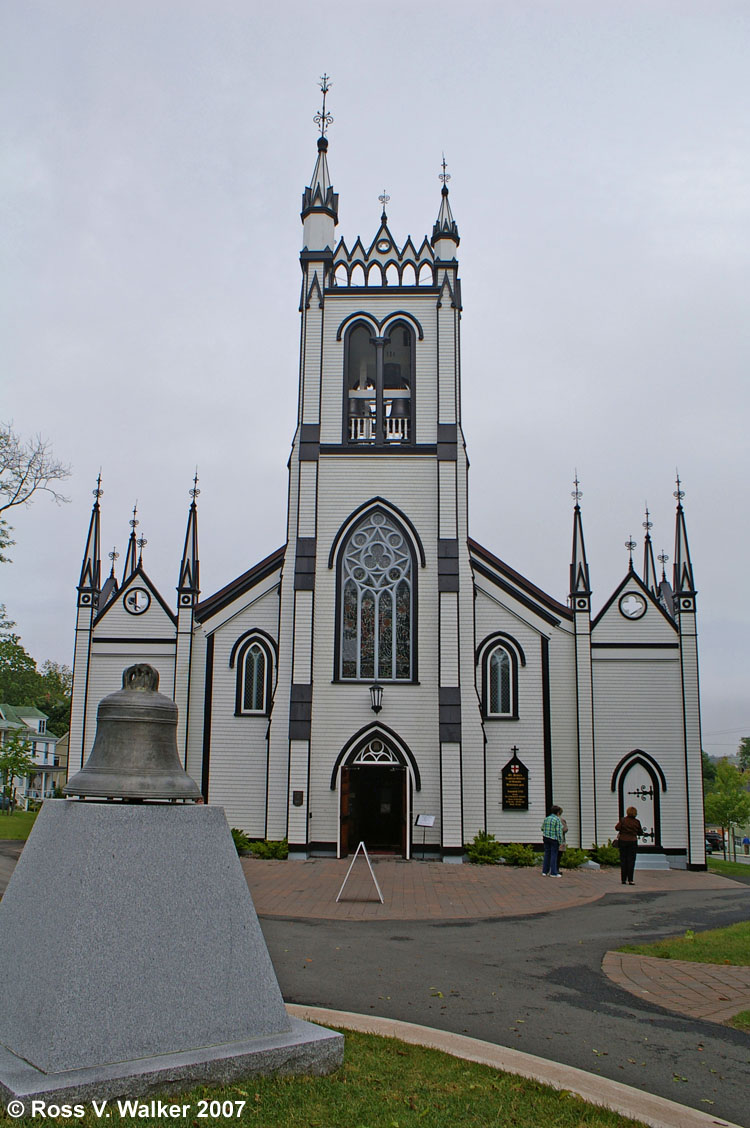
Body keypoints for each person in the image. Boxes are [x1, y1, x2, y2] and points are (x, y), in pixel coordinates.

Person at [615, 806, 643, 885]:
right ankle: (630, 879)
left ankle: (623, 879)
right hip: (632, 842)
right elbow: (640, 832)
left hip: (623, 841)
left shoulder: (623, 820)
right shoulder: (637, 822)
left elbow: (617, 828)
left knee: (623, 860)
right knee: (631, 860)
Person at [541, 805, 564, 876]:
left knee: (547, 854)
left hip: (546, 837)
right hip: (554, 839)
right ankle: (553, 872)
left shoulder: (546, 818)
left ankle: (545, 871)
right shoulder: (557, 820)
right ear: (558, 813)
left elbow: (542, 828)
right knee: (554, 855)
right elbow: (559, 832)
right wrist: (560, 841)